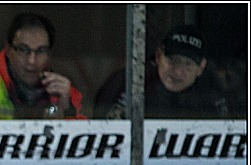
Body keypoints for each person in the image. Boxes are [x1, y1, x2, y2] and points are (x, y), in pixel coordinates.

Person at [0, 13, 85, 120]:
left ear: (50, 54)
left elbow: (85, 149)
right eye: (23, 49)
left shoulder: (64, 93)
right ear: (8, 50)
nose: (31, 60)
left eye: (40, 51)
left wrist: (68, 111)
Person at [94, 24, 230, 119]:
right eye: (171, 60)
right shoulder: (128, 82)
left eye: (188, 64)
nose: (177, 71)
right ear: (159, 56)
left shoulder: (213, 92)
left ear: (201, 67)